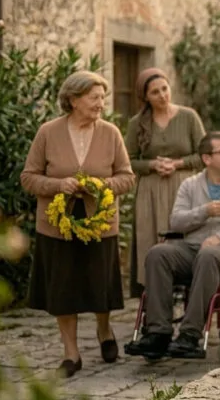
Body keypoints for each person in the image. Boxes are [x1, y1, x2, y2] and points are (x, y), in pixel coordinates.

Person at [21, 71, 135, 378]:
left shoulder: (111, 133)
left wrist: (100, 184)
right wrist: (59, 185)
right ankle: (71, 353)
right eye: (94, 97)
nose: (100, 104)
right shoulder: (48, 132)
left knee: (99, 284)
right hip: (56, 226)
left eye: (102, 98)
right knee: (63, 289)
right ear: (73, 100)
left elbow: (127, 177)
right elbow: (28, 177)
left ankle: (104, 329)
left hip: (100, 224)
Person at [124, 131, 220, 360]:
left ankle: (190, 334)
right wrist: (204, 211)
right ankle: (157, 332)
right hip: (189, 247)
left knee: (208, 255)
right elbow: (176, 221)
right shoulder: (191, 184)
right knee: (158, 253)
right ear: (206, 159)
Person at [125, 68, 206, 297]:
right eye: (154, 92)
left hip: (185, 187)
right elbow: (127, 161)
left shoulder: (188, 117)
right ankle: (154, 297)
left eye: (164, 89)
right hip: (150, 192)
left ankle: (190, 290)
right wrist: (152, 165)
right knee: (152, 239)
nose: (162, 95)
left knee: (185, 237)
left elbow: (205, 155)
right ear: (145, 97)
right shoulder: (137, 124)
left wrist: (178, 163)